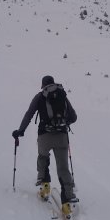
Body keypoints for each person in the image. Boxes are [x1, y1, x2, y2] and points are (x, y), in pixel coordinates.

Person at [12, 75, 78, 204]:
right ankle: (68, 196)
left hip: (44, 136)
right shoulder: (62, 95)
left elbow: (29, 114)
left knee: (43, 157)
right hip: (62, 136)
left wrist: (21, 130)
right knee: (63, 167)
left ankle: (45, 184)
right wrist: (64, 123)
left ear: (43, 85)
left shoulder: (39, 96)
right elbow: (74, 117)